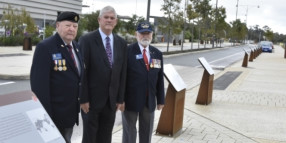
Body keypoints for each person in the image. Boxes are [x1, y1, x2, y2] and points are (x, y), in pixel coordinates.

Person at [30, 11, 84, 143]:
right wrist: (46, 117)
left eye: (75, 26)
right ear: (58, 26)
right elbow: (39, 86)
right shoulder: (45, 47)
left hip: (70, 113)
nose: (72, 29)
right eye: (68, 25)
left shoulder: (76, 46)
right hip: (54, 114)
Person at [79, 6, 127, 143]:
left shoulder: (121, 43)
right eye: (106, 17)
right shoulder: (86, 40)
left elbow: (123, 73)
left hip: (111, 102)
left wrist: (120, 98)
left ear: (116, 22)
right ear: (99, 19)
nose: (109, 20)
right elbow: (82, 72)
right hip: (91, 102)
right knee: (90, 138)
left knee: (106, 137)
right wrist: (83, 99)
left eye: (112, 18)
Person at [122, 21, 165, 143]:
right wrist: (120, 99)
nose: (145, 36)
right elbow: (122, 78)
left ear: (152, 34)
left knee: (146, 132)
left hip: (149, 101)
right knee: (129, 132)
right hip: (130, 101)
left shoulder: (157, 53)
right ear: (136, 34)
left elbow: (159, 79)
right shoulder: (127, 51)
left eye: (148, 33)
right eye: (142, 33)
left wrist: (161, 100)